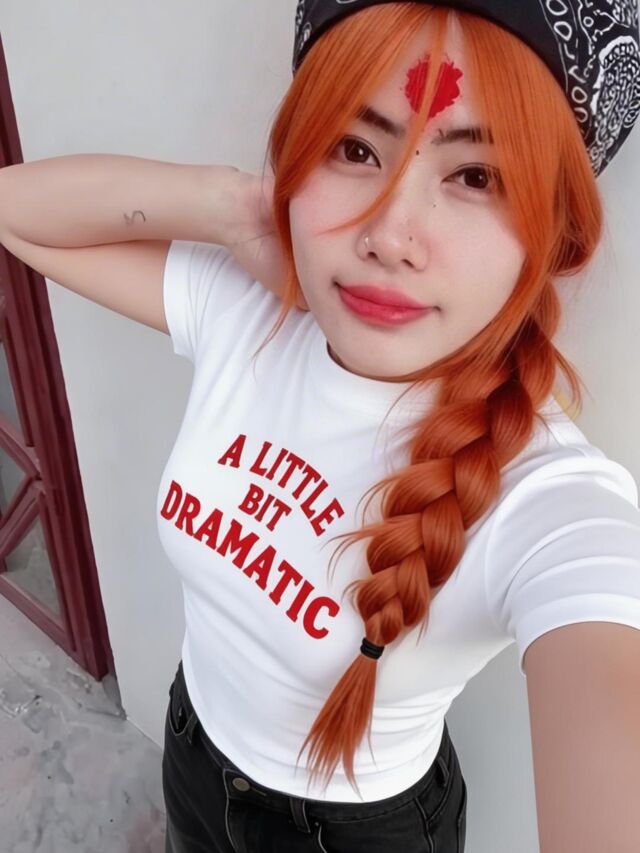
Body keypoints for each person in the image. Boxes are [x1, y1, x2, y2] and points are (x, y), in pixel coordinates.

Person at [0, 2, 639, 851]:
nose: (389, 236)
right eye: (354, 148)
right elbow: (15, 212)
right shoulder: (249, 314)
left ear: (554, 231)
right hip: (193, 749)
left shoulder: (550, 498)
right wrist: (235, 206)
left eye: (477, 176)